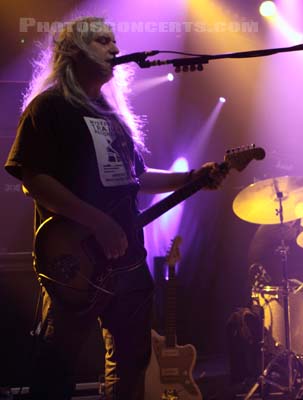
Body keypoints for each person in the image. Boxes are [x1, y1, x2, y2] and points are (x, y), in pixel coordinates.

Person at [4, 16, 228, 399]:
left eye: (114, 42)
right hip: (77, 262)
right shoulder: (50, 107)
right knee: (57, 366)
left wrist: (192, 176)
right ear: (74, 52)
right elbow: (33, 178)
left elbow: (136, 179)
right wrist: (96, 221)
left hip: (128, 262)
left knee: (131, 363)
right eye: (103, 42)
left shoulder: (113, 116)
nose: (115, 50)